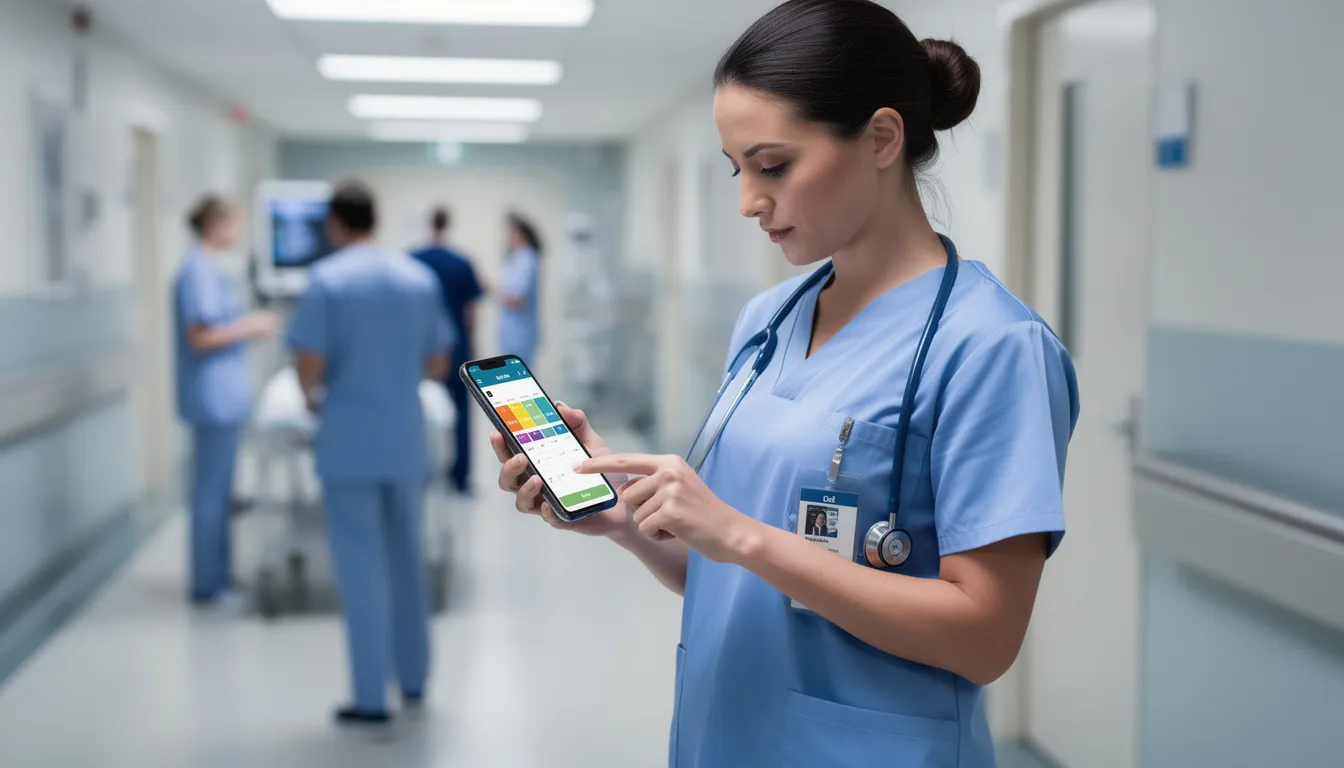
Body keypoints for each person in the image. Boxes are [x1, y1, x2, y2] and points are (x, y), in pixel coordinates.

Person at [491, 1, 1080, 766]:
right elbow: (740, 574)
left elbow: (985, 636)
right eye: (739, 171)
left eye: (773, 166)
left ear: (881, 138)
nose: (749, 201)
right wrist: (627, 523)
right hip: (724, 735)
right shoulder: (769, 320)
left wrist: (740, 533)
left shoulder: (992, 346)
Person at [285, 181, 454, 729]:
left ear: (335, 223)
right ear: (374, 219)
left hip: (349, 440)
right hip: (403, 438)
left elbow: (308, 368)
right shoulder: (416, 278)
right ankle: (413, 680)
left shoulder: (326, 280)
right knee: (407, 559)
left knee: (360, 567)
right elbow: (435, 362)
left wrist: (321, 395)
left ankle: (370, 698)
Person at [173, 195, 278, 605]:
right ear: (215, 225)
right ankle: (208, 584)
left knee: (218, 491)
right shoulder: (197, 272)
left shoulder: (207, 269)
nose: (237, 233)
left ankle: (218, 577)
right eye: (233, 223)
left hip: (221, 396)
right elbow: (199, 336)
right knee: (211, 492)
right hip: (212, 397)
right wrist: (249, 326)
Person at [410, 206, 485, 495]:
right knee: (461, 416)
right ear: (448, 225)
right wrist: (470, 345)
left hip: (422, 352)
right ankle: (460, 479)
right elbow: (469, 311)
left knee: (418, 414)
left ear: (429, 224)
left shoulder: (413, 261)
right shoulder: (462, 263)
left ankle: (420, 474)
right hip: (457, 348)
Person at [497, 212, 542, 362]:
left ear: (519, 233)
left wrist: (493, 290)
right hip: (512, 334)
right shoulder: (515, 258)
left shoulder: (527, 259)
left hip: (520, 335)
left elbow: (518, 300)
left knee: (519, 380)